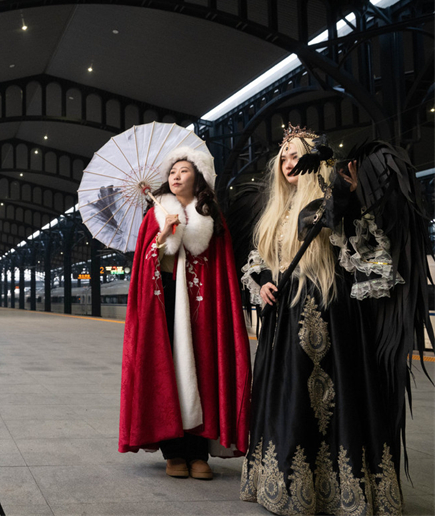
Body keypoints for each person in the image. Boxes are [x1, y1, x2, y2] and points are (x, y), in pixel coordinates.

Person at [239, 126, 406, 514]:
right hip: (282, 317)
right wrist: (263, 282)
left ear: (316, 161)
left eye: (296, 155)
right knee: (288, 396)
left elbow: (368, 256)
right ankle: (286, 484)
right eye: (282, 158)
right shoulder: (275, 210)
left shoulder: (334, 200)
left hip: (328, 314)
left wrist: (345, 207)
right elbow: (259, 259)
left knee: (329, 399)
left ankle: (338, 489)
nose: (288, 164)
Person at [118, 146, 252, 480]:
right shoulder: (156, 214)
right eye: (173, 172)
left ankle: (199, 453)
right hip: (165, 311)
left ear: (199, 177)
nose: (176, 177)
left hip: (204, 312)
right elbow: (147, 268)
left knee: (205, 371)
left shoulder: (212, 215)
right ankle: (174, 452)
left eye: (184, 171)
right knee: (168, 373)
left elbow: (223, 268)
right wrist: (163, 237)